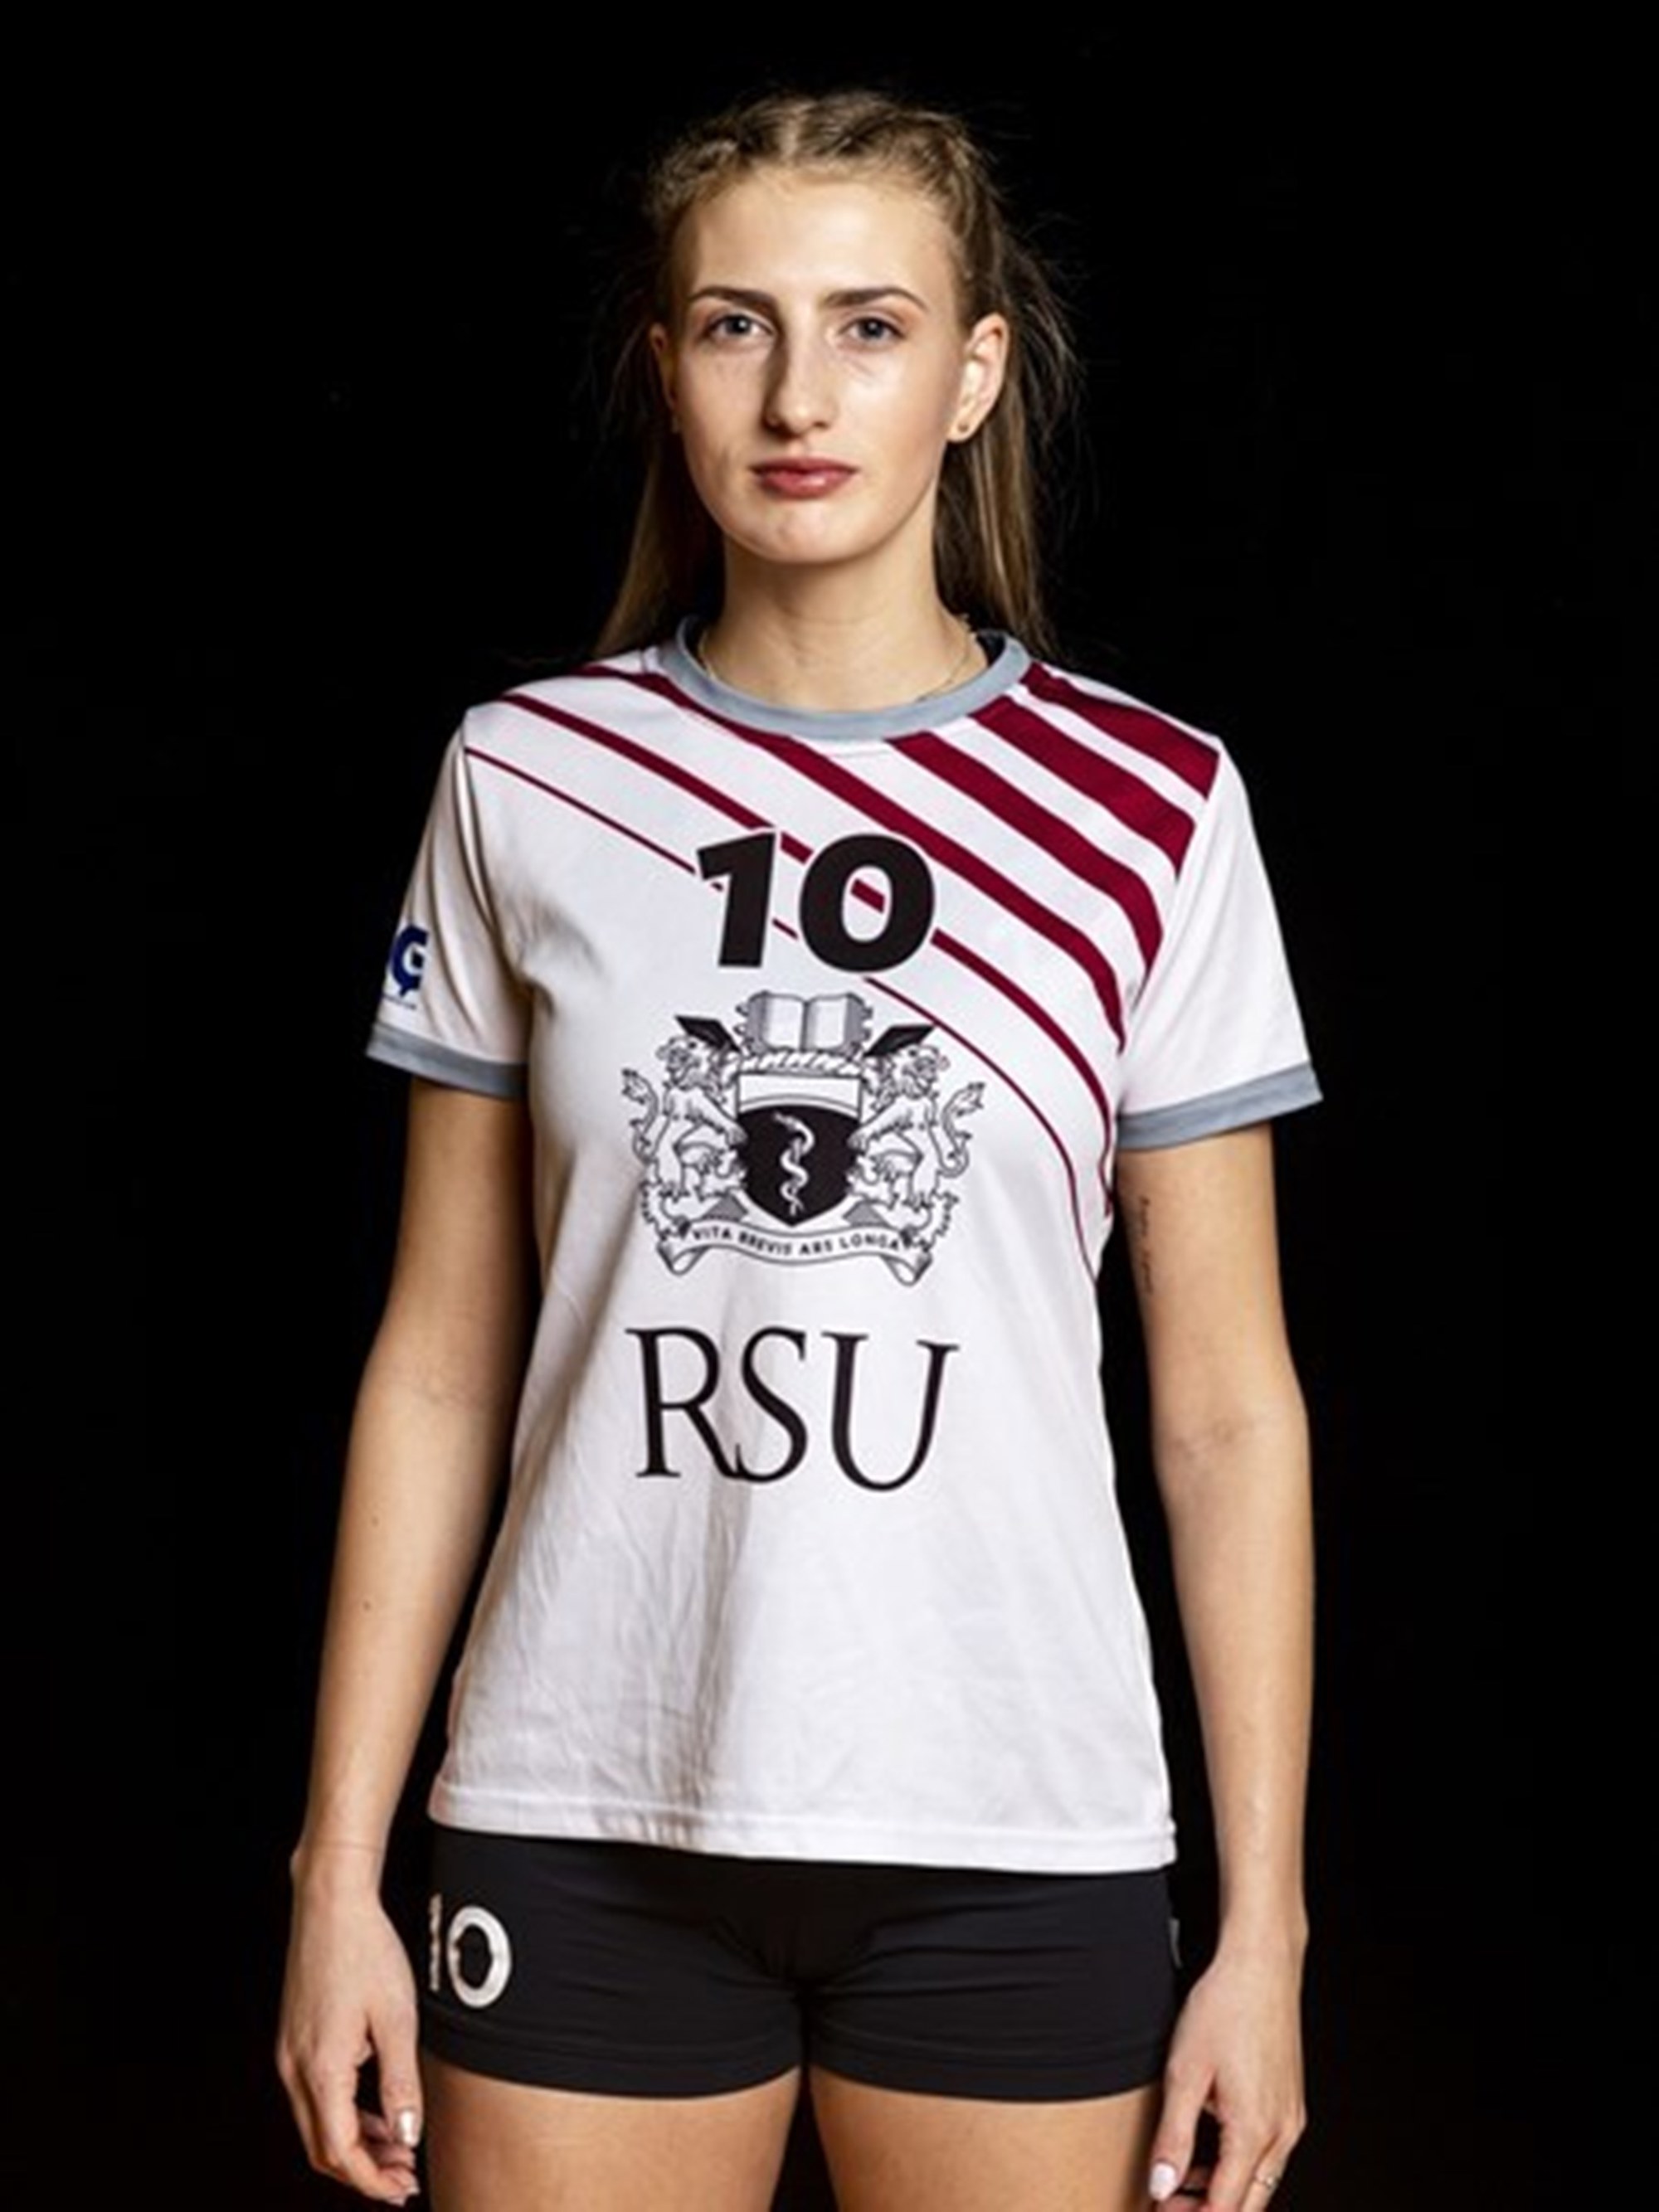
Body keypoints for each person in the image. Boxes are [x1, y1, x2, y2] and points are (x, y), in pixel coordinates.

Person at [277, 88, 1317, 2212]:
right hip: (580, 1802)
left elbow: (1226, 1410)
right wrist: (335, 1868)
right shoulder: (532, 773)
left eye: (870, 326)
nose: (799, 396)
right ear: (664, 371)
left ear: (975, 372)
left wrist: (1266, 1928)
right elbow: (441, 1360)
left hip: (1016, 1819)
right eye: (737, 325)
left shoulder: (1150, 803)